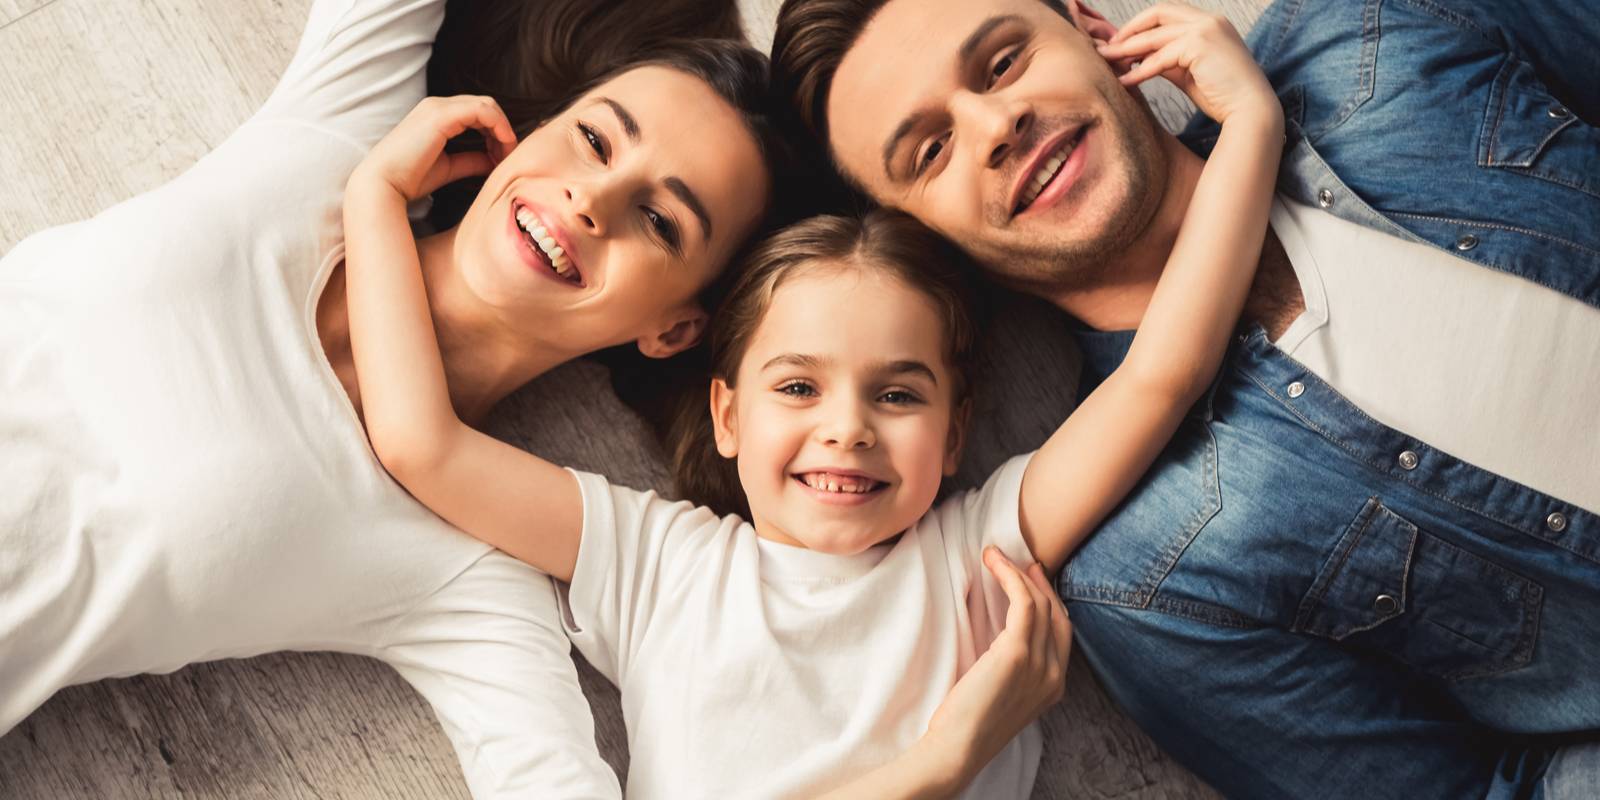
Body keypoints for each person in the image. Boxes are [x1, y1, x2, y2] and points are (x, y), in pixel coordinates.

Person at [336, 10, 1281, 789]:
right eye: (796, 385)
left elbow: (1163, 370)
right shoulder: (657, 566)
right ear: (728, 415)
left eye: (899, 395)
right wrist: (377, 195)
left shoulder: (979, 554)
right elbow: (421, 444)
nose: (847, 430)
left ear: (955, 436)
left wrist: (1250, 127)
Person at [768, 0, 1600, 796]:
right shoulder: (1152, 578)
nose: (996, 125)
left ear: (1091, 28)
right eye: (930, 151)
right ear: (928, 247)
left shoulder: (1367, 33)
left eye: (1003, 61)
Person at [0, 0, 785, 795]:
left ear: (673, 330)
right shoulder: (342, 132)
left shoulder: (460, 566)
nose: (593, 198)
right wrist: (370, 188)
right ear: (542, 125)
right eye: (592, 139)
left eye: (659, 219)